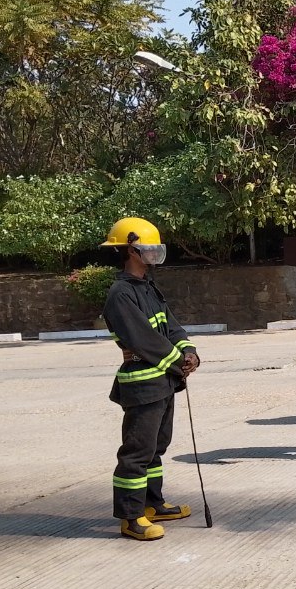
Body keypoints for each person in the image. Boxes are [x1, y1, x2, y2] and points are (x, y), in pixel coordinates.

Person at [100, 217, 200, 541]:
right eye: (149, 248)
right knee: (137, 452)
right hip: (143, 384)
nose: (155, 253)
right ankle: (131, 517)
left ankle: (152, 504)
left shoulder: (148, 286)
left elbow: (171, 327)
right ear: (131, 250)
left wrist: (189, 352)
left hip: (163, 382)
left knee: (156, 447)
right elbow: (144, 340)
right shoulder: (120, 294)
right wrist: (178, 363)